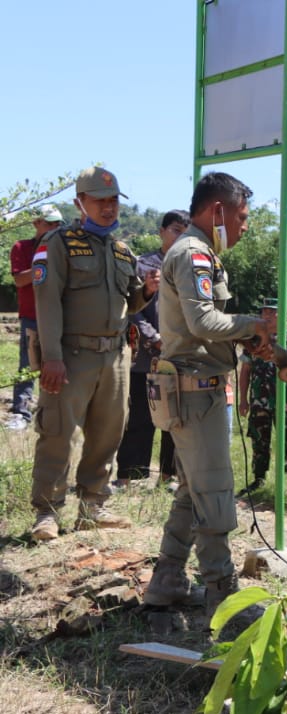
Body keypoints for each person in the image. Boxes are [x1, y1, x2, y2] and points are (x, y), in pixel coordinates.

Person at [143, 172, 273, 621]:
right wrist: (253, 325)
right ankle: (223, 597)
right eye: (241, 217)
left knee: (192, 490)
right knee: (215, 495)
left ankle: (167, 580)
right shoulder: (195, 253)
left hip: (192, 390)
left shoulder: (197, 253)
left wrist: (243, 333)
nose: (243, 227)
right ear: (217, 211)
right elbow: (202, 322)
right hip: (196, 393)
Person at [29, 168, 150, 541]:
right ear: (79, 202)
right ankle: (47, 513)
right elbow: (47, 303)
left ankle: (94, 505)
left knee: (107, 433)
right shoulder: (58, 244)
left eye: (113, 201)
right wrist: (51, 356)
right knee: (57, 433)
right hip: (70, 355)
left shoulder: (122, 250)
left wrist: (147, 292)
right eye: (100, 200)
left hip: (114, 357)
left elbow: (130, 304)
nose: (108, 207)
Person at [115, 210, 189, 484]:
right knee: (140, 417)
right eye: (176, 229)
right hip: (145, 355)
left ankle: (169, 476)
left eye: (185, 231)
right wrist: (152, 336)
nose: (180, 235)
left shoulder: (189, 266)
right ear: (162, 231)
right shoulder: (143, 264)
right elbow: (131, 307)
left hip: (179, 354)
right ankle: (131, 476)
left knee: (175, 418)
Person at [237, 298, 287, 494]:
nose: (267, 316)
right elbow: (245, 370)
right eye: (264, 312)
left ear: (281, 314)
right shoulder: (255, 340)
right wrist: (243, 400)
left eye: (272, 312)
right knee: (259, 440)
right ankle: (259, 479)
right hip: (260, 400)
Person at [8, 204, 62, 431]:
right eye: (48, 223)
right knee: (27, 366)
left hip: (59, 316)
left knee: (58, 365)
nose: (53, 228)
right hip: (32, 316)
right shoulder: (22, 247)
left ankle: (52, 412)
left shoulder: (63, 248)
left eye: (57, 224)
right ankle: (21, 413)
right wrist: (42, 265)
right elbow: (20, 280)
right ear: (36, 223)